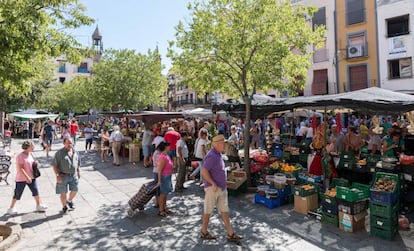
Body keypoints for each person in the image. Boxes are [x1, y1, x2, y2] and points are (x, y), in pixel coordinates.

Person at [200, 135, 242, 241]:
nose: (225, 145)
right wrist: (213, 183)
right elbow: (204, 171)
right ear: (217, 144)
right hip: (213, 189)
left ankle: (230, 234)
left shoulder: (218, 154)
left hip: (221, 188)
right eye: (223, 143)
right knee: (208, 211)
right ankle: (203, 232)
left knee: (224, 211)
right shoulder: (212, 155)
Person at [7, 141, 48, 215]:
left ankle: (39, 205)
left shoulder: (30, 154)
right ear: (27, 147)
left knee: (35, 191)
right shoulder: (20, 156)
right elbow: (20, 168)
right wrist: (27, 177)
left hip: (32, 177)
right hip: (22, 178)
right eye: (32, 146)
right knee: (17, 193)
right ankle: (11, 208)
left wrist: (35, 163)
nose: (33, 148)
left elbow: (30, 163)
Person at [51, 137, 80, 214]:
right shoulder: (59, 153)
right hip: (63, 176)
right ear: (64, 143)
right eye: (68, 143)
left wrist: (78, 171)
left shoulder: (75, 152)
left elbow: (78, 163)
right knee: (63, 193)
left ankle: (69, 200)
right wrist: (57, 175)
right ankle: (64, 207)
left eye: (71, 143)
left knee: (75, 190)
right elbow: (54, 165)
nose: (69, 144)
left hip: (73, 175)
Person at [156, 141, 173, 217]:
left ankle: (164, 207)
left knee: (165, 193)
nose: (170, 147)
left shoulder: (166, 155)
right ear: (165, 147)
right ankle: (161, 210)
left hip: (168, 176)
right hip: (164, 177)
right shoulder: (162, 157)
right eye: (168, 146)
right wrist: (159, 181)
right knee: (162, 194)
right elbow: (159, 170)